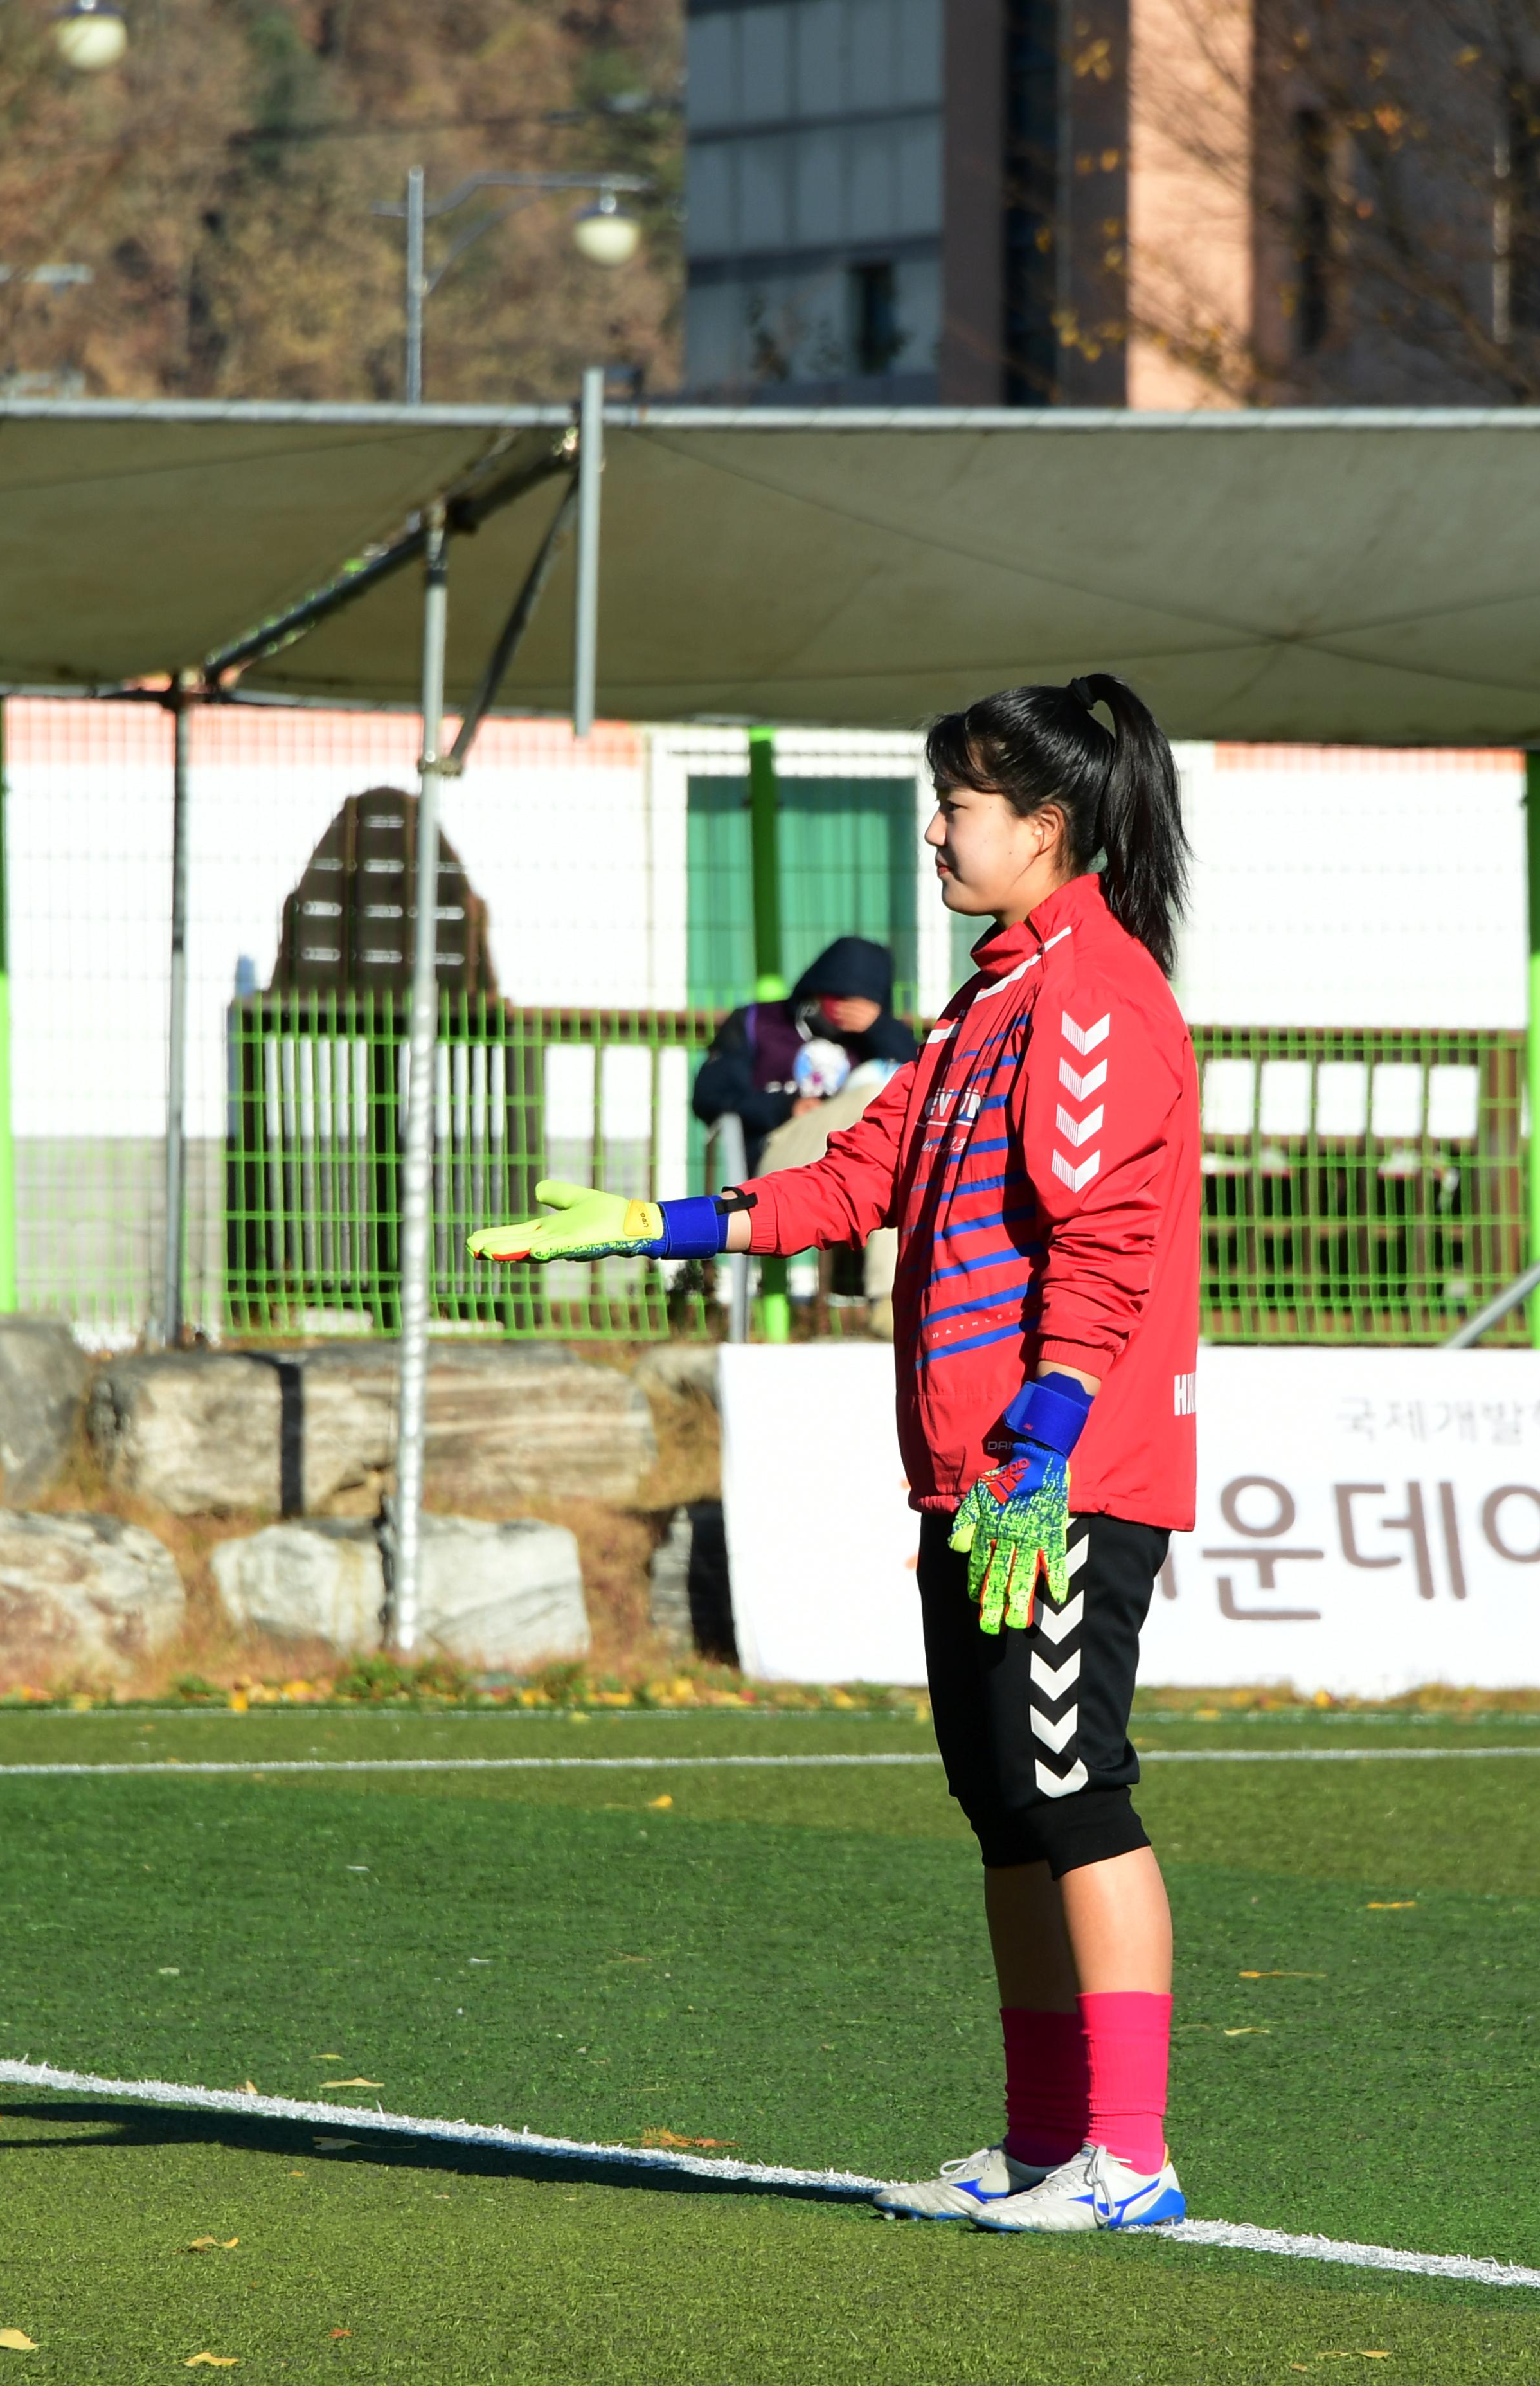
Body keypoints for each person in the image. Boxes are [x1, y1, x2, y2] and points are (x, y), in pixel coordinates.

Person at [469, 674, 1201, 2234]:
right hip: (975, 1480)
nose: (935, 827)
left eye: (960, 802)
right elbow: (858, 1176)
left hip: (1050, 1481)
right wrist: (656, 1222)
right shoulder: (991, 995)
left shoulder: (1093, 994)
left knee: (1074, 1795)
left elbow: (1111, 1233)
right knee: (1005, 1806)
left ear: (1048, 828)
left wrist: (1049, 1432)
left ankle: (1127, 2157)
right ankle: (1036, 2141)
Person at [692, 936, 924, 1320]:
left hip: (854, 1163)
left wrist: (880, 1027)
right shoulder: (758, 1023)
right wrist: (785, 1106)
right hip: (776, 1152)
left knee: (894, 1170)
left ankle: (889, 1305)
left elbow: (924, 1079)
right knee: (877, 1098)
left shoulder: (875, 1040)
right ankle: (887, 1305)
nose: (844, 1012)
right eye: (839, 1000)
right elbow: (710, 1095)